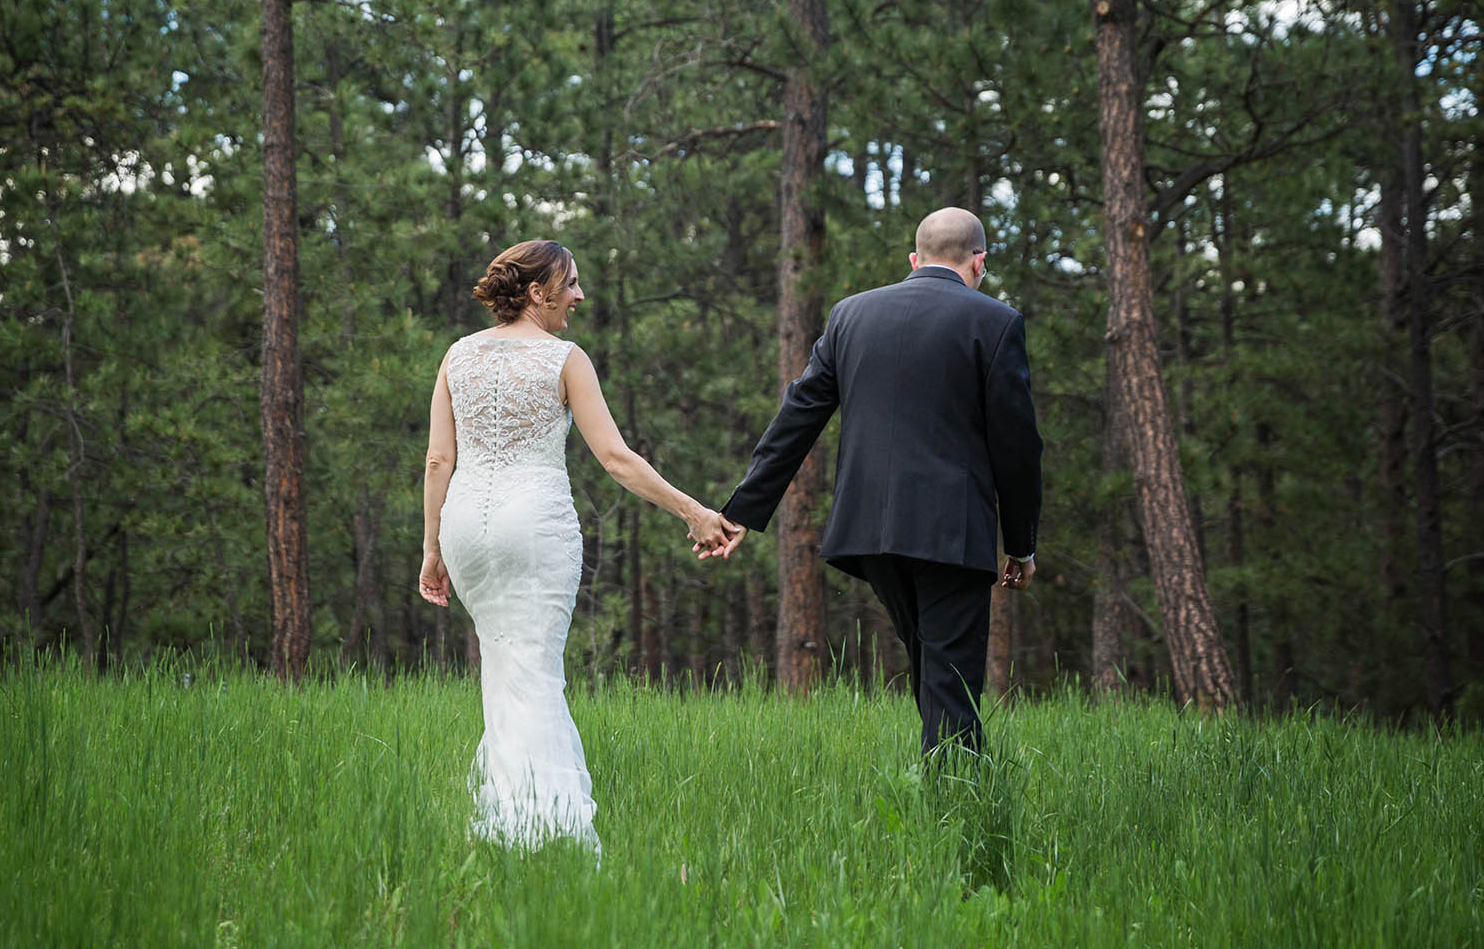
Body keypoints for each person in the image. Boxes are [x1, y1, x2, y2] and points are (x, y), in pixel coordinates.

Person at [418, 239, 736, 853]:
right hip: (533, 527)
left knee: (507, 672)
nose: (579, 296)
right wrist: (694, 512)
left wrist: (432, 548)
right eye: (570, 284)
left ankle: (507, 825)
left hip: (465, 530)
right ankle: (551, 832)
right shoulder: (565, 358)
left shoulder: (457, 355)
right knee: (534, 674)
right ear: (537, 293)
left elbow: (438, 458)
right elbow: (615, 458)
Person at [712, 207, 1042, 756]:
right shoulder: (995, 321)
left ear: (914, 260)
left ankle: (944, 789)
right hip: (951, 535)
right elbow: (1018, 445)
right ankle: (957, 811)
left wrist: (742, 510)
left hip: (871, 533)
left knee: (933, 669)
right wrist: (1022, 544)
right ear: (979, 262)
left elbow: (798, 416)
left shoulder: (851, 315)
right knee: (950, 678)